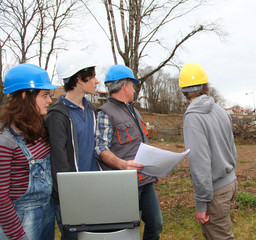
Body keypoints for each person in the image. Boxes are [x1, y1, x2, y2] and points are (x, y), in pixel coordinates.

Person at [95, 64, 163, 240]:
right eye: (133, 85)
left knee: (156, 224)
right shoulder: (105, 113)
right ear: (125, 86)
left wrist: (154, 170)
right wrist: (123, 165)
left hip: (146, 181)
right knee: (126, 230)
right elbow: (100, 148)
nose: (134, 89)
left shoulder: (134, 111)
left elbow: (141, 144)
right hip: (124, 184)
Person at [179, 63, 238, 240]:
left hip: (215, 192)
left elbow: (200, 163)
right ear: (206, 85)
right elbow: (232, 149)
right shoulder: (221, 110)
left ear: (183, 89)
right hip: (230, 183)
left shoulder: (193, 117)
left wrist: (201, 203)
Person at [46, 52, 100, 240]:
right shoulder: (57, 115)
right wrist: (70, 198)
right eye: (92, 76)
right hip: (72, 198)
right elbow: (59, 162)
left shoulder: (92, 109)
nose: (97, 81)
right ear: (78, 78)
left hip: (93, 191)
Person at [0, 64, 58, 240]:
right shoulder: (6, 140)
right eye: (44, 95)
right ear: (25, 96)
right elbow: (1, 198)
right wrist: (18, 236)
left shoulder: (39, 128)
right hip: (21, 220)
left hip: (46, 213)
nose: (49, 100)